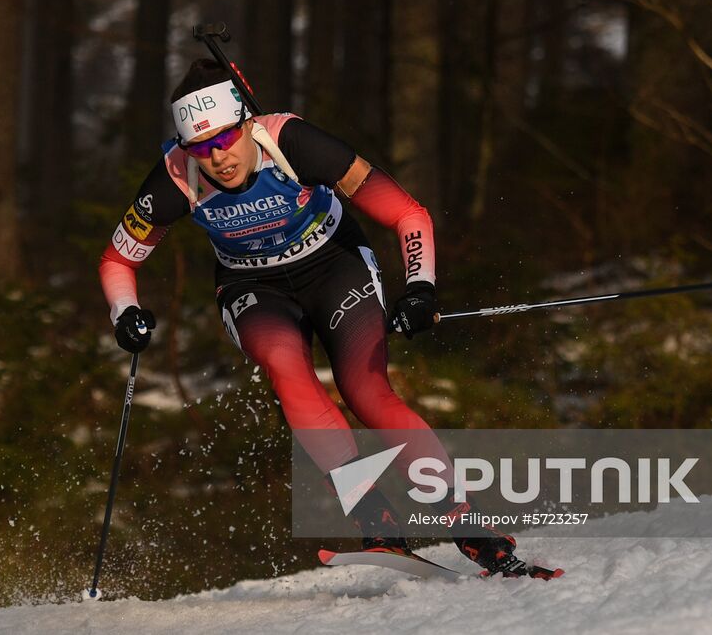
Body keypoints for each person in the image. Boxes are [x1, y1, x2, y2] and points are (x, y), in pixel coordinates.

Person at [98, 58, 550, 577]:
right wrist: (125, 312)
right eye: (201, 147)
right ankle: (376, 520)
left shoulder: (294, 143)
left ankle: (466, 522)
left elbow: (409, 214)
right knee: (286, 368)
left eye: (226, 138)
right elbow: (117, 260)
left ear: (247, 122)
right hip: (252, 287)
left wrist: (420, 288)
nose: (218, 158)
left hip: (334, 265)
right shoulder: (176, 177)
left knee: (365, 390)